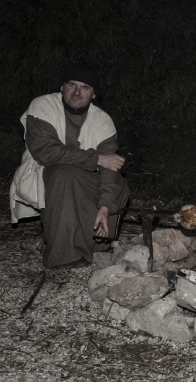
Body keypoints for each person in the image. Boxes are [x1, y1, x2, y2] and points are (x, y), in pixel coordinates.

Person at [10, 63, 129, 269]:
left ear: (93, 94)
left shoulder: (103, 121)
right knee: (64, 174)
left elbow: (110, 165)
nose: (77, 92)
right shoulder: (42, 107)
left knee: (118, 183)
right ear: (62, 87)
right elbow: (47, 152)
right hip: (46, 171)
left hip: (85, 176)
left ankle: (95, 247)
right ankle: (63, 255)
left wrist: (105, 206)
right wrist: (96, 159)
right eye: (72, 85)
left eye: (85, 87)